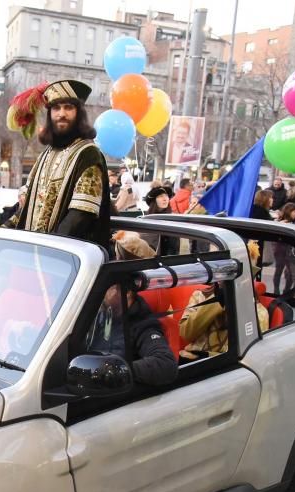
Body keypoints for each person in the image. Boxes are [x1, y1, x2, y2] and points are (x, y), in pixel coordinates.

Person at [14, 79, 110, 246]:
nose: (61, 114)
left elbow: (80, 215)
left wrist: (49, 249)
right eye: (56, 108)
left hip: (68, 258)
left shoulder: (88, 154)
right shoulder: (46, 154)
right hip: (34, 252)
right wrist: (3, 229)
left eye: (68, 107)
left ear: (79, 113)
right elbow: (27, 205)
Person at [180, 241, 269, 361]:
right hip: (189, 361)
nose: (222, 279)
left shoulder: (257, 312)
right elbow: (186, 333)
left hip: (222, 367)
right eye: (219, 272)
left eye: (229, 275)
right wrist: (216, 302)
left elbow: (249, 353)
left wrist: (207, 356)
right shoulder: (199, 297)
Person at [86, 278, 177, 386]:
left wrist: (116, 370)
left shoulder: (143, 325)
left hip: (115, 393)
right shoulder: (101, 314)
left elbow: (166, 363)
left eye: (108, 287)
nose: (101, 292)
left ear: (127, 292)